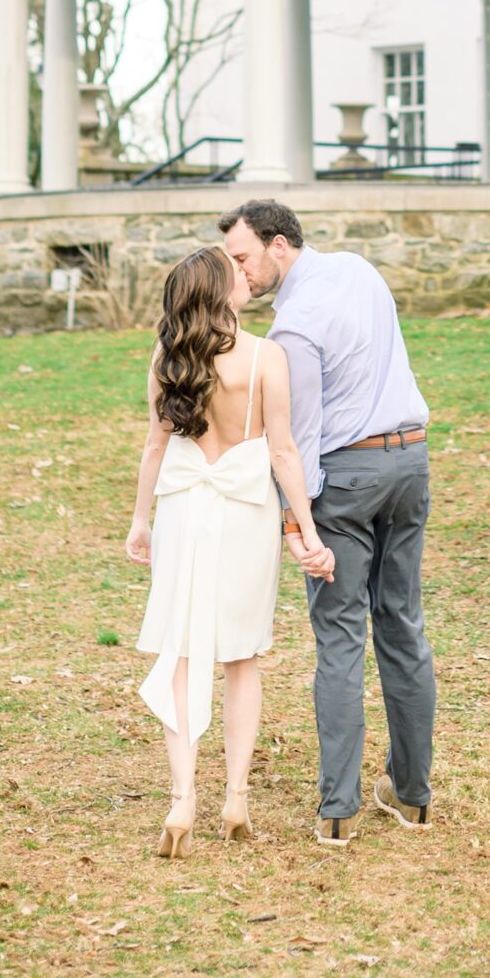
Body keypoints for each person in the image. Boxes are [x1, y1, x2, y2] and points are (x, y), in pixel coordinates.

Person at [220, 197, 436, 852]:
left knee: (340, 638)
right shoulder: (360, 270)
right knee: (401, 623)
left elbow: (300, 439)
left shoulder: (293, 327)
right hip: (410, 461)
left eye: (243, 257)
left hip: (345, 478)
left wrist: (296, 524)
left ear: (278, 245)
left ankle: (338, 809)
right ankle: (412, 793)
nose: (239, 272)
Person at [125, 243, 333, 857]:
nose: (245, 275)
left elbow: (155, 448)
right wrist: (309, 533)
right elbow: (283, 452)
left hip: (184, 510)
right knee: (242, 658)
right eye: (233, 271)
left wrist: (141, 521)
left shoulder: (167, 357)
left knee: (183, 652)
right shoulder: (266, 355)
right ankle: (235, 795)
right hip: (245, 511)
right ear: (219, 292)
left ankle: (182, 798)